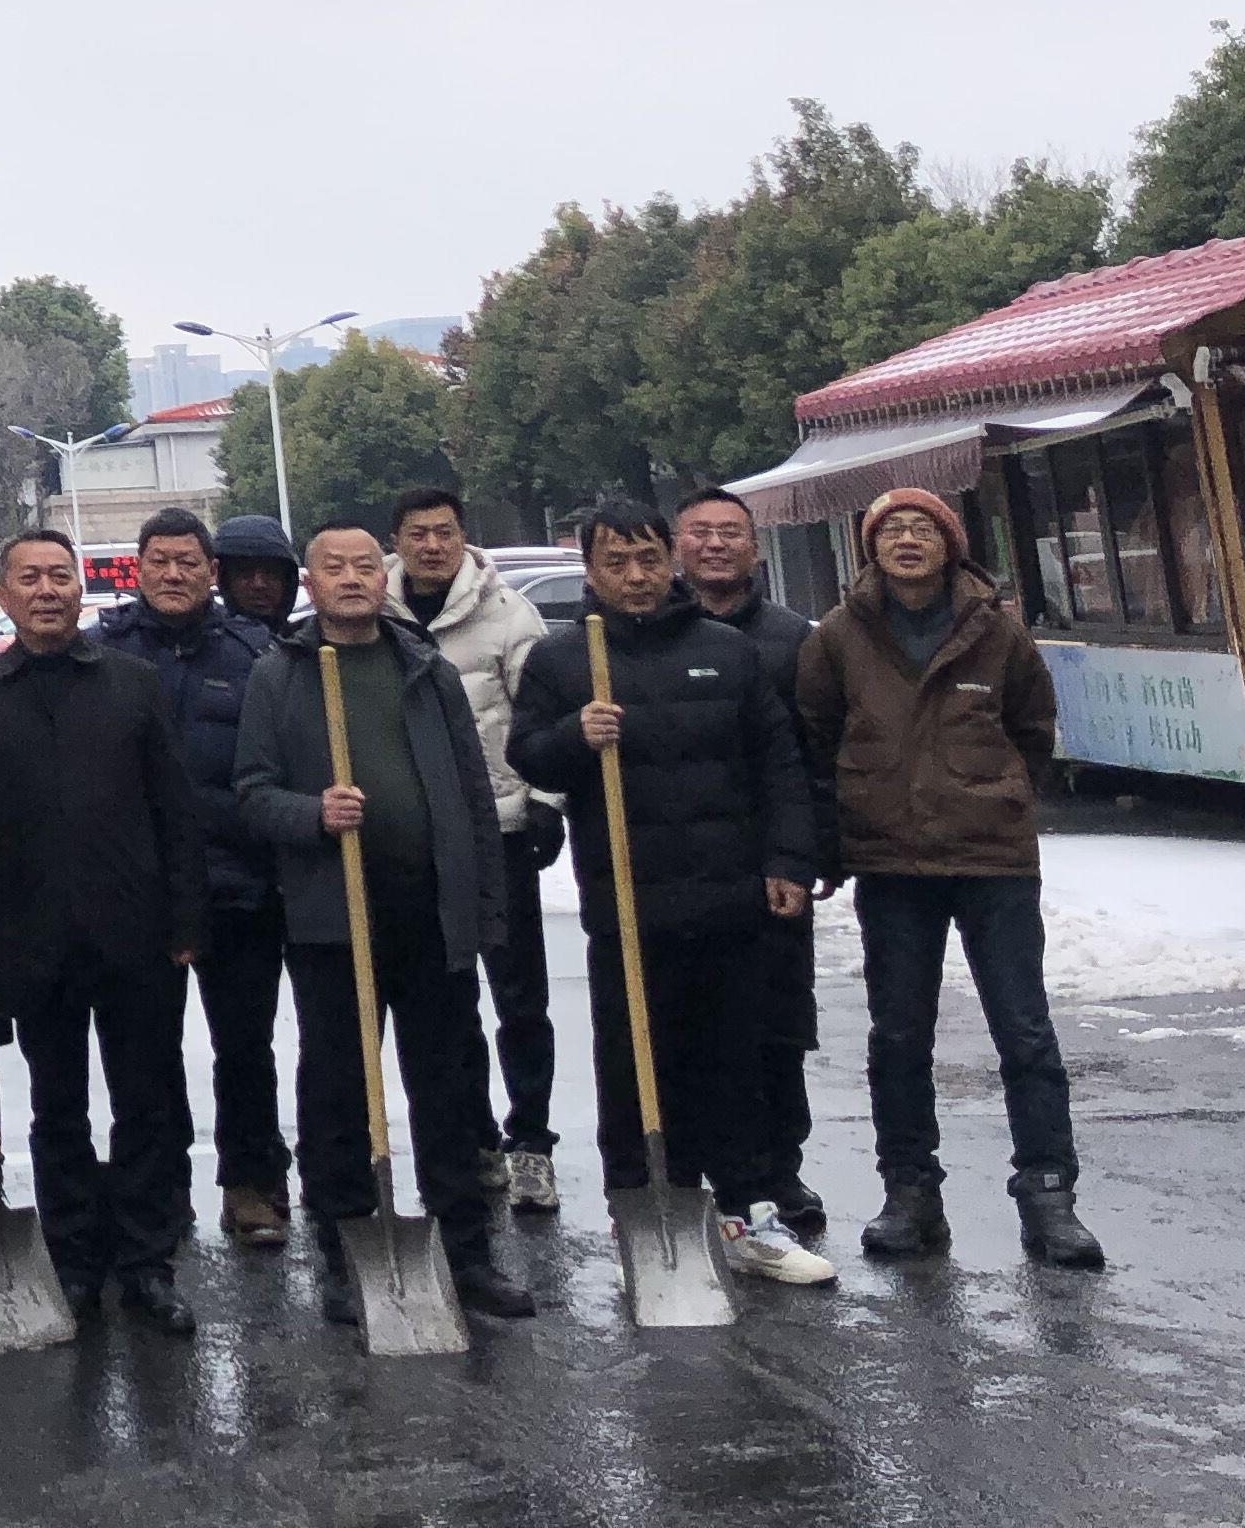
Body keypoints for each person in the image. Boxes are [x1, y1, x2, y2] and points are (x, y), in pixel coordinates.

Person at [506, 501, 830, 1286]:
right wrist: (575, 736)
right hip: (628, 907)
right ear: (591, 571)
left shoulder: (726, 651)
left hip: (729, 901)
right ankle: (646, 1218)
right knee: (634, 1072)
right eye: (616, 562)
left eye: (648, 559)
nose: (636, 576)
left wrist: (788, 861)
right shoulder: (562, 660)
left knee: (737, 1066)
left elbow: (780, 765)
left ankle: (750, 1217)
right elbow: (528, 756)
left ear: (670, 562)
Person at [230, 526, 535, 1328]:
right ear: (311, 583)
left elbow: (472, 793)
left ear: (384, 576)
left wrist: (484, 909)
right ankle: (346, 1253)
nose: (352, 578)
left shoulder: (424, 669)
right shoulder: (279, 675)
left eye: (365, 566)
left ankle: (467, 1254)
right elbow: (252, 794)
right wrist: (313, 813)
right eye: (334, 568)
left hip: (429, 915)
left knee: (449, 1089)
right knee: (338, 1093)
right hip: (335, 922)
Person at [793, 484, 1102, 1272]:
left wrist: (998, 794)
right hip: (891, 861)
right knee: (899, 1034)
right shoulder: (839, 636)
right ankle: (910, 1191)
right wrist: (835, 837)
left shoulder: (997, 631)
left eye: (921, 528)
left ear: (950, 545)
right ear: (870, 546)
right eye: (890, 528)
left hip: (992, 859)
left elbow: (1032, 729)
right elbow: (816, 738)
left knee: (1024, 1029)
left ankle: (1049, 1192)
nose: (906, 539)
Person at [0, 524, 207, 1337]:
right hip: (32, 936)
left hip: (136, 931)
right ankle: (75, 1261)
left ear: (81, 590)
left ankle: (149, 1262)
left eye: (60, 576)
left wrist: (187, 920)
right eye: (30, 578)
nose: (47, 591)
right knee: (56, 1110)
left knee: (146, 1103)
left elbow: (176, 808)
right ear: (4, 595)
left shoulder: (132, 682)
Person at [91, 507, 287, 1246]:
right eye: (159, 561)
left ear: (213, 573)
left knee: (245, 1048)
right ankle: (160, 1194)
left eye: (188, 562)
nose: (173, 574)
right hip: (138, 893)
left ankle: (252, 1185)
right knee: (145, 1055)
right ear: (137, 570)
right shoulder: (102, 653)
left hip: (238, 887)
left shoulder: (256, 654)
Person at [387, 484, 567, 1216]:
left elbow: (542, 713)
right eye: (418, 533)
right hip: (420, 839)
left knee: (520, 998)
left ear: (463, 536)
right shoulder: (378, 616)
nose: (432, 545)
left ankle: (532, 1143)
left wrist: (547, 801)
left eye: (444, 531)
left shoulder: (509, 614)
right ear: (396, 542)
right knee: (447, 1001)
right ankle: (475, 1138)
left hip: (502, 828)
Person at [674, 483, 829, 1236]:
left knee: (777, 1022)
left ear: (755, 547)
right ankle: (690, 1167)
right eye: (699, 532)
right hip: (676, 864)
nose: (714, 545)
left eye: (729, 532)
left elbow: (814, 757)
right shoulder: (646, 636)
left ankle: (779, 1168)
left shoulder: (794, 639)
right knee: (686, 1020)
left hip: (769, 862)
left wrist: (806, 854)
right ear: (677, 545)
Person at [214, 512, 303, 639]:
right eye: (245, 572)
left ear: (288, 580)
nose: (259, 584)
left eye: (271, 572)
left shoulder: (309, 644)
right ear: (224, 579)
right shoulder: (204, 645)